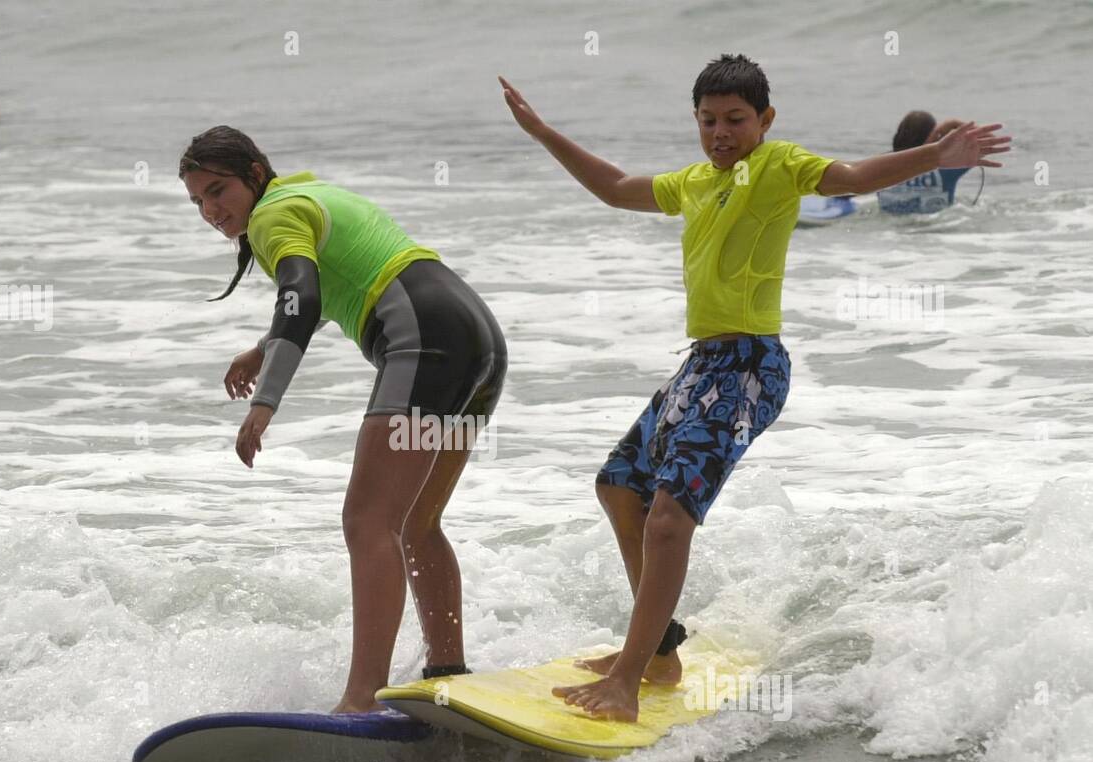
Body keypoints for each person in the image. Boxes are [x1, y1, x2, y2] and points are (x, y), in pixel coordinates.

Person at [499, 54, 1009, 721]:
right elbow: (617, 185)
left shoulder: (777, 167)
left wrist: (933, 157)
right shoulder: (692, 183)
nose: (721, 132)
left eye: (736, 119)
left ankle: (628, 678)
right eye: (708, 120)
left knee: (668, 519)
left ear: (765, 120)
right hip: (702, 366)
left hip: (750, 368)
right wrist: (543, 133)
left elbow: (852, 175)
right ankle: (658, 653)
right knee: (619, 486)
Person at [179, 126, 507, 713]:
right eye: (198, 200)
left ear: (255, 173)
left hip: (424, 340)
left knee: (367, 521)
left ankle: (361, 699)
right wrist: (264, 346)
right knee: (414, 522)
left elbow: (301, 298)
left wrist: (265, 402)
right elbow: (346, 282)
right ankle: (447, 672)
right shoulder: (308, 196)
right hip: (476, 343)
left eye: (218, 190)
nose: (210, 210)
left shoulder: (271, 218)